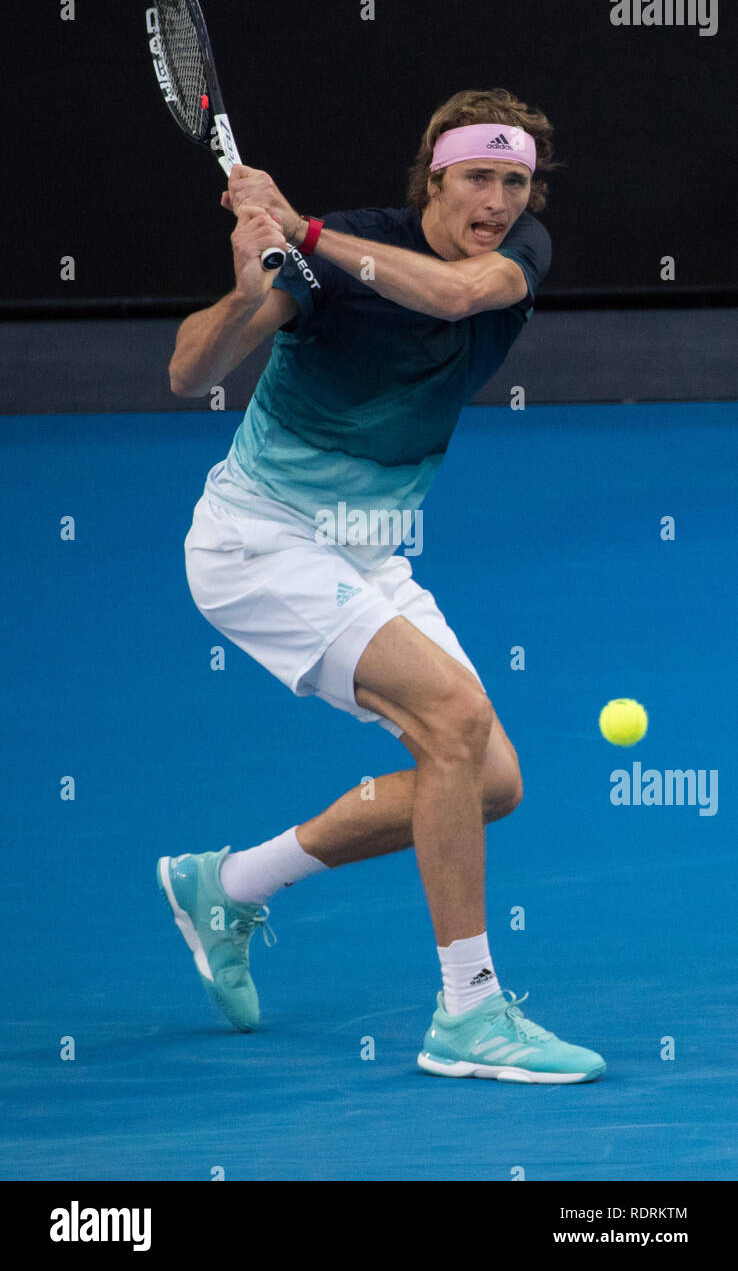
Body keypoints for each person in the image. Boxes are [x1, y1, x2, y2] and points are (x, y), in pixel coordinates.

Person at [158, 88, 606, 1083]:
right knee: (453, 714)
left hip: (369, 550)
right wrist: (252, 284)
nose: (497, 199)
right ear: (435, 176)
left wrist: (303, 230)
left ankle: (227, 885)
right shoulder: (338, 255)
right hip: (259, 542)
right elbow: (193, 374)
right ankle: (469, 1011)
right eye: (478, 177)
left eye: (515, 181)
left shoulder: (515, 254)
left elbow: (451, 297)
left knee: (490, 779)